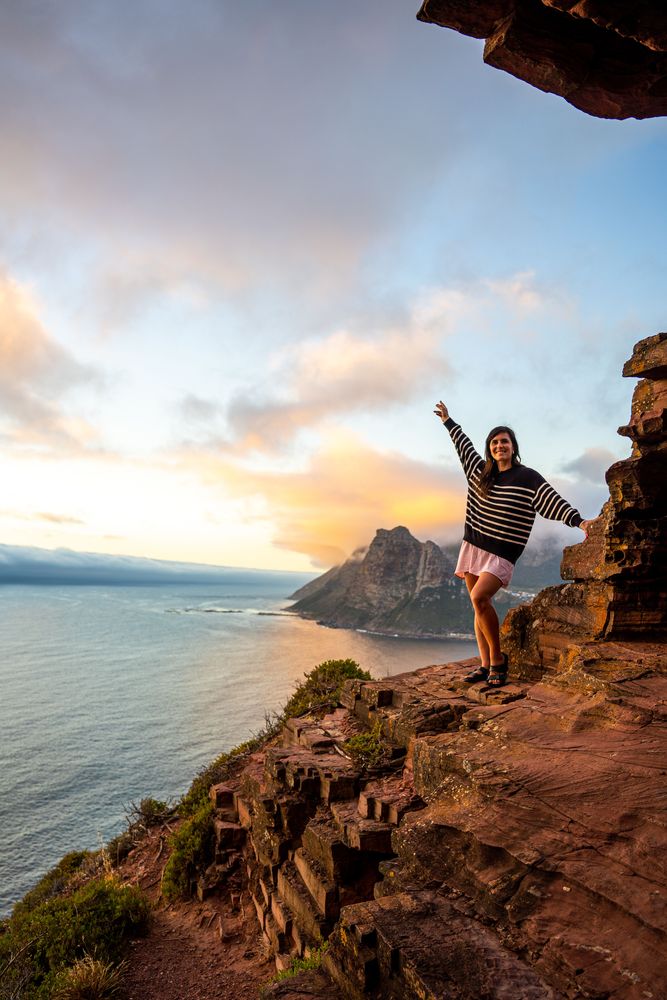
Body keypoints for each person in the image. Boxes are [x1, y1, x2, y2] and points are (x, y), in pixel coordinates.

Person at [434, 401, 593, 687]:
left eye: (504, 441)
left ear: (513, 446)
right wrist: (448, 421)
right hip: (474, 546)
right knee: (479, 606)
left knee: (480, 598)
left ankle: (497, 660)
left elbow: (551, 501)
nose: (499, 446)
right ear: (490, 448)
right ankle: (484, 665)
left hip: (502, 554)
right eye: (494, 442)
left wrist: (579, 521)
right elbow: (463, 446)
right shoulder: (480, 472)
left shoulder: (527, 478)